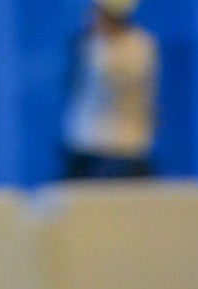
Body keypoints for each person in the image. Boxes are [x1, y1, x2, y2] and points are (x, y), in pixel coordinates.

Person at [63, 0, 158, 180]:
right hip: (84, 143)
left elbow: (113, 84)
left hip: (126, 146)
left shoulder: (140, 46)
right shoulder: (85, 43)